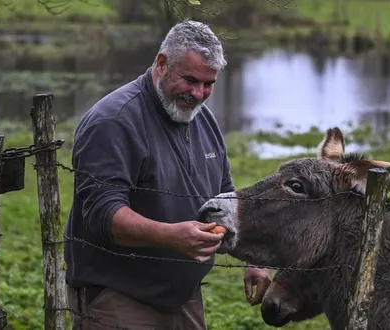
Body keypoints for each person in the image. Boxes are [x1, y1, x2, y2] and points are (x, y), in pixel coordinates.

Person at [63, 20, 271, 329]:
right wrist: (171, 237)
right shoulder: (113, 122)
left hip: (183, 298)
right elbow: (103, 215)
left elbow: (224, 196)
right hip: (118, 298)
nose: (199, 94)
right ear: (162, 63)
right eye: (190, 80)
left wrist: (254, 254)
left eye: (209, 83)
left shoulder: (203, 120)